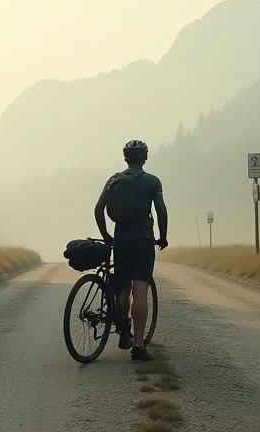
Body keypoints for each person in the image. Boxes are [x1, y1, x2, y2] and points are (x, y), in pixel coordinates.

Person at [94, 139, 169, 363]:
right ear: (145, 158)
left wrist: (106, 235)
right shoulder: (152, 181)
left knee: (124, 289)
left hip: (121, 239)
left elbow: (98, 209)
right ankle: (138, 346)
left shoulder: (113, 180)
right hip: (143, 239)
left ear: (125, 158)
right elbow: (161, 211)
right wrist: (163, 237)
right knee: (140, 291)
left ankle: (123, 333)